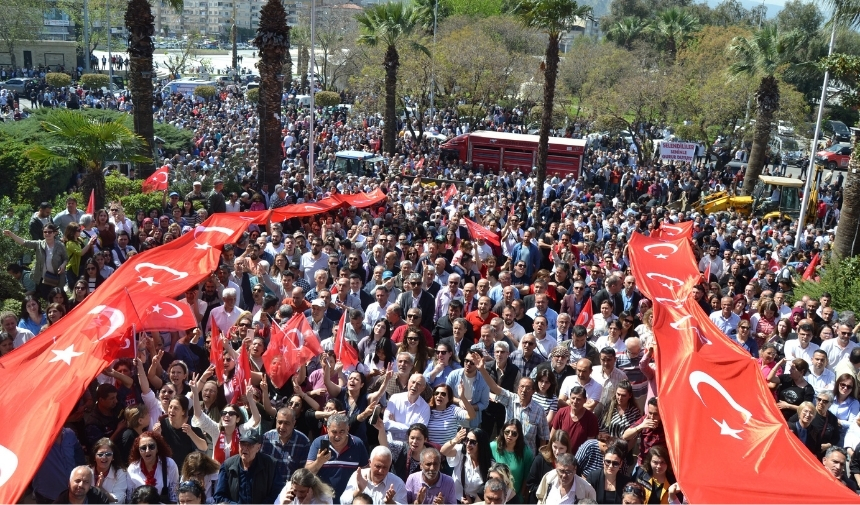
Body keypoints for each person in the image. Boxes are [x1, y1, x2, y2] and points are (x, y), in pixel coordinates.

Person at [474, 353, 549, 454]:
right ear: (517, 388)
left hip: (527, 455)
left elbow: (543, 437)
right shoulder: (511, 399)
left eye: (528, 388)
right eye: (521, 387)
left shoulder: (539, 410)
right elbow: (495, 387)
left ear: (533, 391)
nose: (524, 390)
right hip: (507, 452)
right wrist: (482, 369)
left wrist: (540, 458)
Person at [305, 414, 370, 500]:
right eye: (334, 432)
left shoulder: (357, 444)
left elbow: (366, 472)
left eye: (342, 431)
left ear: (348, 429)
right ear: (327, 430)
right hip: (323, 500)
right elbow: (307, 473)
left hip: (350, 500)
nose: (337, 436)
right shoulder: (318, 443)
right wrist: (319, 462)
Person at [213, 431, 282, 504]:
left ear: (258, 447)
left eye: (250, 445)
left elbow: (278, 493)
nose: (245, 448)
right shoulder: (227, 465)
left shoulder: (271, 465)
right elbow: (219, 496)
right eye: (242, 444)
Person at [4, 224, 68, 299]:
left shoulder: (60, 245)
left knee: (58, 298)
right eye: (45, 232)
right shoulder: (39, 244)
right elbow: (24, 242)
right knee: (47, 298)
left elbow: (66, 258)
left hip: (56, 278)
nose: (47, 234)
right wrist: (11, 234)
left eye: (50, 232)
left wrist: (63, 265)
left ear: (54, 233)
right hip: (43, 279)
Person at [262, 407, 312, 491]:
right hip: (267, 489)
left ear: (294, 423)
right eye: (280, 422)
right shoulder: (266, 438)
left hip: (290, 490)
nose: (282, 427)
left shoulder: (303, 442)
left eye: (286, 423)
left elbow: (303, 471)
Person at [440, 427, 493, 503]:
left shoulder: (490, 464)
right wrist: (455, 440)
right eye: (466, 440)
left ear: (481, 444)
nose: (468, 444)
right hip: (455, 499)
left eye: (473, 442)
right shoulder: (461, 452)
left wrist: (473, 503)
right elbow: (443, 451)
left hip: (477, 502)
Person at [339, 446, 408, 504]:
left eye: (385, 467)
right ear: (370, 463)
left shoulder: (397, 483)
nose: (381, 471)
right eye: (378, 466)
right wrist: (359, 490)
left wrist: (390, 502)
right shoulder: (359, 476)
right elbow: (343, 502)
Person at [127, 431, 180, 504]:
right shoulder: (132, 469)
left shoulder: (169, 464)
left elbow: (174, 496)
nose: (147, 451)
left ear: (157, 448)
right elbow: (130, 499)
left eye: (151, 446)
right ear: (138, 451)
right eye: (143, 448)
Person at [489, 420, 532, 498]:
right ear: (503, 432)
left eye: (514, 433)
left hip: (515, 496)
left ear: (519, 435)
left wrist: (521, 496)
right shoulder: (493, 446)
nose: (510, 435)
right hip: (494, 495)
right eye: (507, 432)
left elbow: (526, 477)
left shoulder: (526, 452)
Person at [550, 386, 598, 455]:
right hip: (559, 455)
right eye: (573, 398)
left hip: (578, 459)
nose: (575, 401)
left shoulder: (591, 419)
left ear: (585, 400)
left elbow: (589, 445)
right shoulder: (561, 412)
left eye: (578, 399)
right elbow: (552, 435)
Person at [621, 398, 666, 467]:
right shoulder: (645, 419)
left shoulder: (666, 425)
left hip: (659, 466)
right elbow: (625, 436)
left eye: (655, 414)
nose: (652, 417)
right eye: (650, 413)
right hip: (643, 463)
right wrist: (641, 426)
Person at [768, 357, 815, 422]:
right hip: (777, 416)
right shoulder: (786, 378)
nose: (790, 370)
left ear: (802, 372)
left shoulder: (808, 389)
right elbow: (770, 378)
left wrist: (788, 406)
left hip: (792, 420)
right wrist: (779, 364)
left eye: (793, 369)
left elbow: (806, 408)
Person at [89, 438, 132, 503]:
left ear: (113, 457)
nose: (104, 457)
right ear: (94, 457)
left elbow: (119, 499)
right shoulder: (86, 471)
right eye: (100, 454)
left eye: (108, 454)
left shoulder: (120, 473)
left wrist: (101, 490)